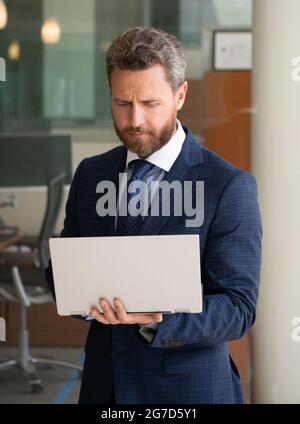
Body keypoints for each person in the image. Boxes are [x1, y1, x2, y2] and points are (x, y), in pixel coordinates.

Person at [46, 26, 262, 404]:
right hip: (105, 384)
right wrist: (81, 296)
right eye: (122, 103)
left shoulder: (227, 185)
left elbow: (238, 308)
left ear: (180, 95)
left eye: (150, 103)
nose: (134, 120)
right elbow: (62, 272)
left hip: (186, 389)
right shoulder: (91, 174)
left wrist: (155, 318)